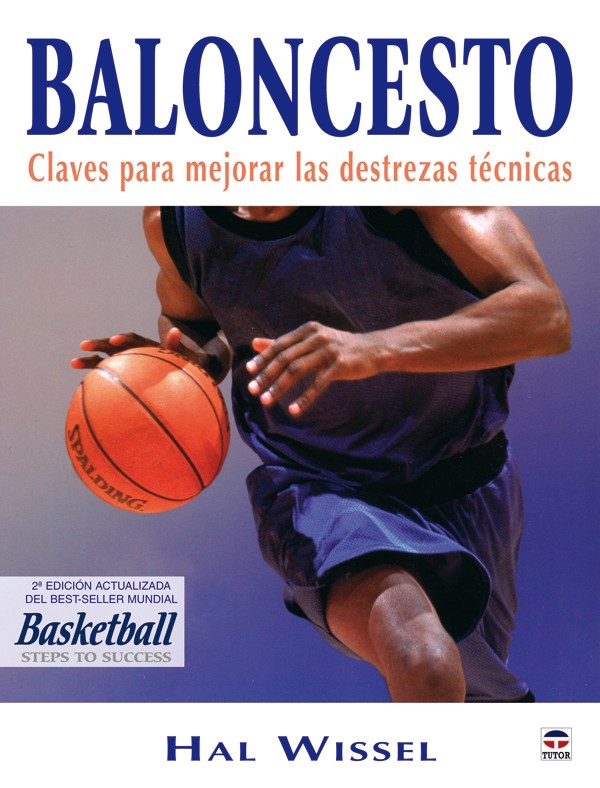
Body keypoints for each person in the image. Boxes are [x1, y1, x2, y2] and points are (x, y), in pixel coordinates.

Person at [72, 206, 570, 702]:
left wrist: (375, 348)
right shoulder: (176, 221)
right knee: (425, 662)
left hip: (467, 478)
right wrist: (183, 365)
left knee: (476, 704)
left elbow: (545, 315)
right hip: (320, 490)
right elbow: (197, 324)